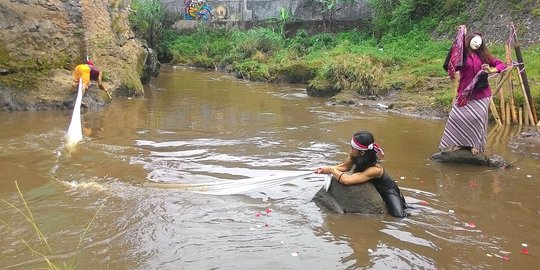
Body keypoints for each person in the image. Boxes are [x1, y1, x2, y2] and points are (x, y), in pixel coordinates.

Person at [315, 130, 408, 218]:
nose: (351, 149)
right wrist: (325, 169)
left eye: (353, 147)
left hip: (387, 190)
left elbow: (347, 180)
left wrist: (331, 170)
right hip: (373, 185)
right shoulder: (354, 152)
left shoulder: (375, 169)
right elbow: (345, 167)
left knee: (398, 215)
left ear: (362, 152)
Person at [441, 32, 506, 155]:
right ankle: (460, 143)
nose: (477, 44)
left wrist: (491, 70)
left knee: (478, 119)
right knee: (457, 117)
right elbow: (450, 64)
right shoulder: (461, 56)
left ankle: (475, 145)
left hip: (482, 93)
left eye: (480, 43)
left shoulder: (483, 56)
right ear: (469, 40)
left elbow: (501, 64)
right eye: (475, 41)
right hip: (464, 93)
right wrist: (456, 44)